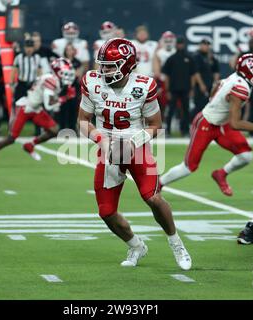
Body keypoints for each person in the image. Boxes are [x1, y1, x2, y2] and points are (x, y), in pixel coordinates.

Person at [78, 38, 191, 270]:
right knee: (106, 212)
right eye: (103, 65)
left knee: (153, 198)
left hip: (137, 148)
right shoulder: (92, 82)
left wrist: (132, 142)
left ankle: (176, 243)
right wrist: (103, 140)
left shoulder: (143, 86)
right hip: (108, 149)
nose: (104, 70)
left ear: (127, 64)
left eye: (110, 65)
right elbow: (82, 121)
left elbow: (156, 125)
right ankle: (136, 246)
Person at [160, 54, 253, 196]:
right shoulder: (241, 87)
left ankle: (220, 174)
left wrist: (214, 100)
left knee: (246, 155)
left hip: (222, 124)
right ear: (248, 71)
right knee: (189, 167)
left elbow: (217, 84)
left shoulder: (237, 77)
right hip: (206, 124)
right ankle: (158, 184)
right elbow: (235, 124)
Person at [0, 58, 76, 170]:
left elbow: (49, 98)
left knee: (54, 130)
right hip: (25, 107)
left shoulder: (53, 79)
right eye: (66, 73)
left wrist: (62, 97)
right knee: (11, 138)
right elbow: (49, 105)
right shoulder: (50, 80)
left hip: (36, 108)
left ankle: (30, 145)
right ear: (58, 71)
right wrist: (65, 97)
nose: (69, 75)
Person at [162, 36, 196, 136]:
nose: (180, 45)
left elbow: (193, 75)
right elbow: (167, 76)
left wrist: (192, 89)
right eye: (178, 43)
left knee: (186, 111)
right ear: (176, 45)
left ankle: (185, 131)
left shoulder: (189, 58)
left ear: (184, 44)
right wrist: (167, 90)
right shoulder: (171, 59)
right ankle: (167, 130)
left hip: (186, 89)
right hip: (173, 89)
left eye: (181, 43)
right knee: (171, 110)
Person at [192, 38, 220, 119]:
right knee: (198, 106)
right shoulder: (197, 56)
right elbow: (196, 72)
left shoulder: (211, 58)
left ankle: (206, 124)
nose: (206, 46)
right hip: (199, 86)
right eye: (204, 44)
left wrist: (215, 83)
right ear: (200, 45)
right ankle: (194, 123)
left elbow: (216, 71)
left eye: (207, 45)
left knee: (209, 106)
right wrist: (201, 84)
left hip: (210, 85)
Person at [153, 31, 176, 119]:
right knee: (160, 104)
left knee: (175, 104)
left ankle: (173, 125)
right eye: (166, 41)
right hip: (161, 81)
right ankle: (160, 123)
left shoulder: (176, 52)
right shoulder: (159, 53)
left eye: (170, 41)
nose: (168, 43)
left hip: (174, 81)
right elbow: (156, 70)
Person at [11, 39, 42, 104]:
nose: (29, 49)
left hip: (32, 85)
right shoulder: (19, 57)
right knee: (18, 103)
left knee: (33, 104)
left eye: (30, 47)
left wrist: (39, 84)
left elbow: (39, 72)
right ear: (24, 48)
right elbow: (13, 71)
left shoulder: (37, 58)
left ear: (33, 48)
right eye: (27, 47)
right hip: (22, 85)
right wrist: (11, 84)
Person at [59, 43, 80, 131]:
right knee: (63, 109)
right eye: (67, 49)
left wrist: (67, 73)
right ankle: (62, 129)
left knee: (73, 109)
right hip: (63, 88)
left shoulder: (77, 62)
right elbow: (59, 74)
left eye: (71, 49)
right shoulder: (61, 61)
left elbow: (78, 74)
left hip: (74, 87)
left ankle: (72, 129)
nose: (69, 51)